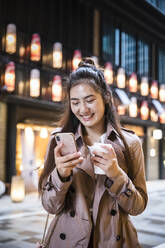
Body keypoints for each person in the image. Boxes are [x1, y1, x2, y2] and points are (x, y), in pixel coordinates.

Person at [38, 58, 148, 248]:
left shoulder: (130, 143)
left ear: (105, 96)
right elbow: (50, 206)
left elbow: (137, 207)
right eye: (75, 103)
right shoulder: (59, 141)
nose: (83, 110)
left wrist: (116, 174)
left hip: (114, 239)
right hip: (68, 240)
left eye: (89, 100)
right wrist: (61, 175)